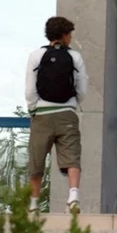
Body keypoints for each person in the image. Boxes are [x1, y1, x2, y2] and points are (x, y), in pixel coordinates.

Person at [25, 17, 88, 214]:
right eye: (70, 34)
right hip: (66, 114)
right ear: (64, 35)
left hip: (42, 115)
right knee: (72, 157)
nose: (70, 39)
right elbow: (82, 88)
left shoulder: (36, 55)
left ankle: (34, 204)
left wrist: (33, 108)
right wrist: (73, 104)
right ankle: (73, 197)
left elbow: (29, 89)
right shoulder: (75, 57)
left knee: (37, 159)